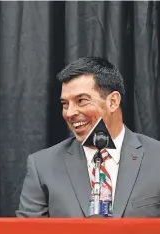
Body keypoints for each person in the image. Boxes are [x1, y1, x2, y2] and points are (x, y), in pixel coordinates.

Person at [16, 57, 160, 218]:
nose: (69, 113)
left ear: (112, 102)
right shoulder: (42, 166)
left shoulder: (156, 158)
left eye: (81, 101)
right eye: (65, 104)